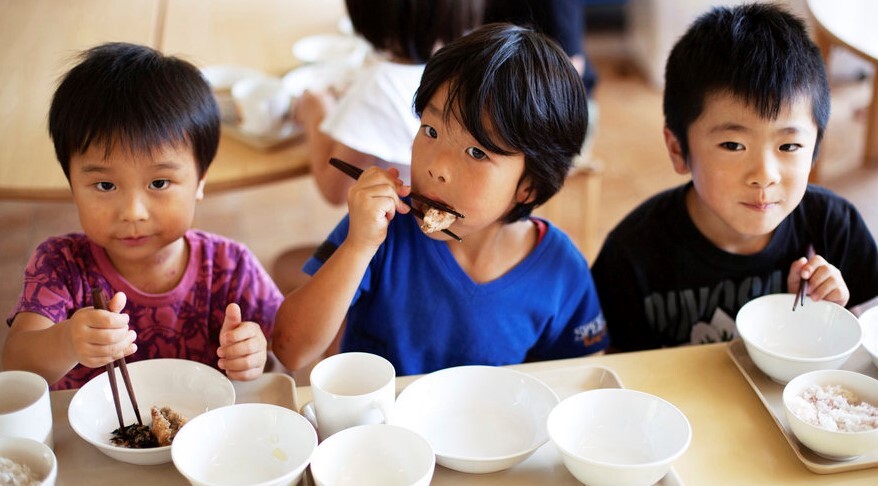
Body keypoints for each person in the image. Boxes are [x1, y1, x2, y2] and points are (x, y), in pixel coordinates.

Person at [272, 23, 608, 375]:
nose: (438, 168)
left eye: (477, 152)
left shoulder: (560, 273)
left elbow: (576, 381)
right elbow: (290, 349)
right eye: (430, 130)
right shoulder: (380, 233)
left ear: (529, 187)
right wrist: (358, 246)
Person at [590, 3, 878, 352]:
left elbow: (865, 347)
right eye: (733, 144)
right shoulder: (632, 255)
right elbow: (617, 373)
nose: (764, 176)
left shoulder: (835, 229)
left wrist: (836, 317)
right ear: (679, 149)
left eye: (789, 146)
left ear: (816, 145)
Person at [2, 43, 284, 390]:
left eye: (159, 182)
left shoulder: (231, 266)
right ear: (72, 183)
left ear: (200, 179)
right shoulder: (60, 265)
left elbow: (279, 354)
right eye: (105, 185)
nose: (133, 212)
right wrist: (66, 342)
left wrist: (254, 355)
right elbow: (14, 367)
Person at [296, 0, 485, 206]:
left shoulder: (381, 87)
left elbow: (334, 190)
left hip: (400, 222)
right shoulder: (477, 63)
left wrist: (314, 109)